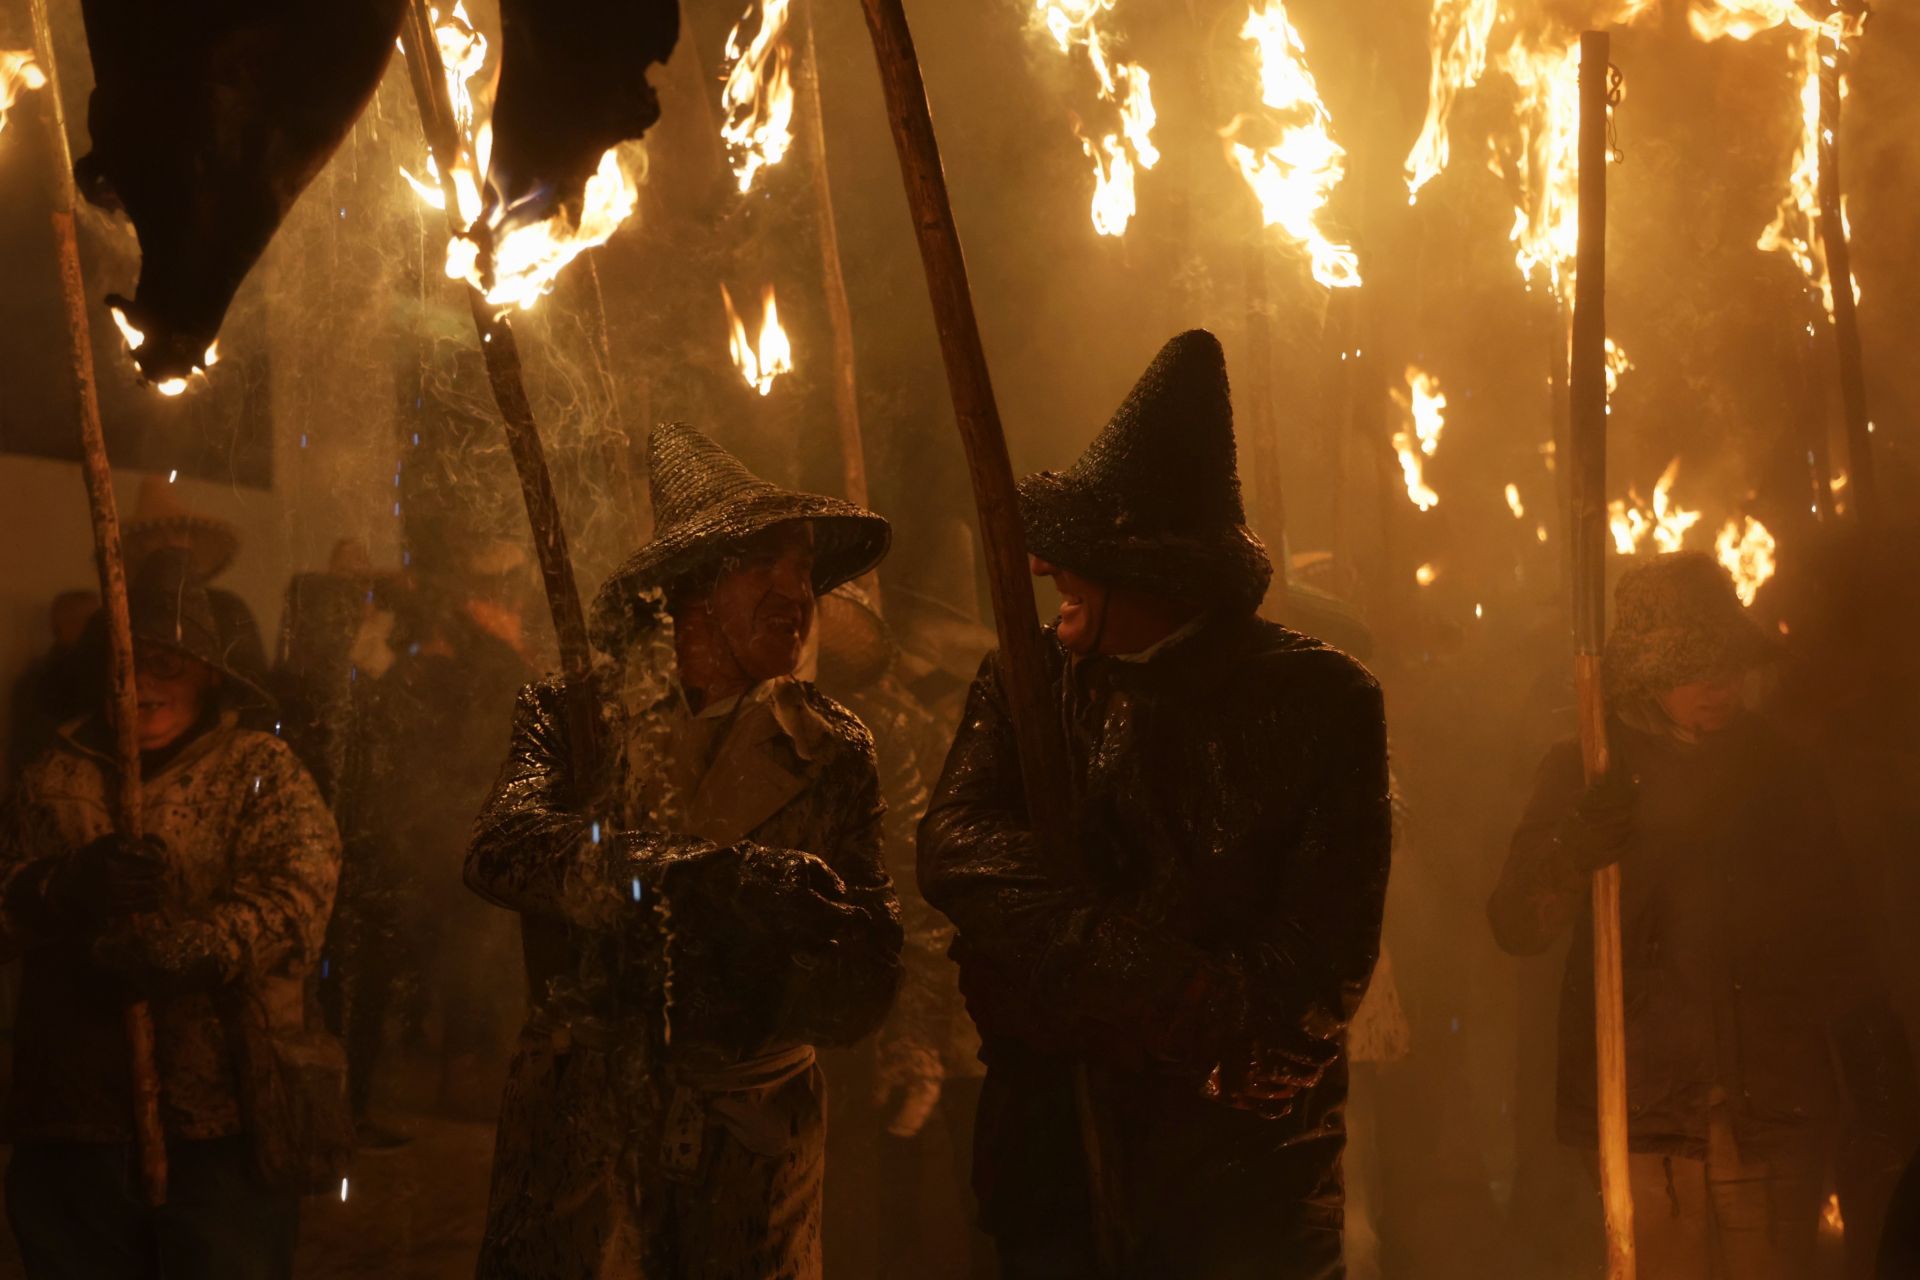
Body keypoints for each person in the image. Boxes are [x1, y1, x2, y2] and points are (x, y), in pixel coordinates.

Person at [919, 330, 1393, 1279]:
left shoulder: (1321, 700)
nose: (1049, 571)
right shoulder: (1023, 678)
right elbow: (958, 850)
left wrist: (1170, 1014)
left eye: (1080, 553)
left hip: (1241, 1187)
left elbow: (1320, 956)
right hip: (1055, 1167)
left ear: (1160, 573)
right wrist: (1154, 981)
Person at [467, 423, 904, 1278]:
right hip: (588, 1126)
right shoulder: (575, 716)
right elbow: (501, 848)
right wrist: (682, 878)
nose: (797, 591)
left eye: (805, 568)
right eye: (764, 564)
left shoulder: (833, 746)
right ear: (691, 589)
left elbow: (871, 950)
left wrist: (832, 956)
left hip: (754, 1141)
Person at [1489, 552, 1918, 1278]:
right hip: (1647, 1110)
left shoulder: (1781, 770)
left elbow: (1836, 929)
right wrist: (1573, 848)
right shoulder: (1589, 768)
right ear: (1645, 674)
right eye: (1695, 667)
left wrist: (1876, 1060)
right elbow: (1517, 926)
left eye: (1729, 663)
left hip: (1775, 1102)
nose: (1719, 684)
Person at [0, 548, 341, 1278]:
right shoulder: (48, 777)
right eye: (127, 661)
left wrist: (188, 948)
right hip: (70, 1121)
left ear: (210, 672)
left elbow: (298, 897)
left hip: (222, 1117)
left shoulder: (259, 770)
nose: (143, 684)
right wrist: (58, 888)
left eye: (168, 662)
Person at [812, 585, 985, 1278]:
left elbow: (917, 896)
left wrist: (914, 1038)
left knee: (876, 1221)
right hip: (805, 1032)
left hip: (866, 1025)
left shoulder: (878, 728)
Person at [6, 590, 100, 784]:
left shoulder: (35, 676)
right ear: (65, 627)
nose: (102, 630)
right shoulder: (49, 679)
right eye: (94, 622)